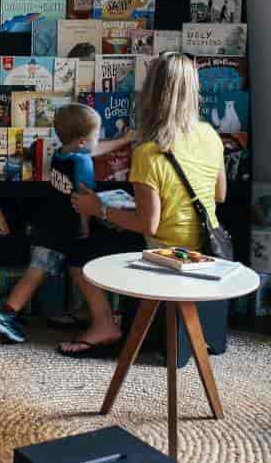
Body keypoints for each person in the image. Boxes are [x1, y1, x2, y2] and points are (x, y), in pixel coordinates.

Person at [64, 52, 227, 356]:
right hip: (204, 244)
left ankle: (104, 325)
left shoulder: (149, 152)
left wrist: (96, 208)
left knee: (79, 251)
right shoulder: (211, 136)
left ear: (151, 94)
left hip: (166, 249)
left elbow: (147, 225)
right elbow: (219, 196)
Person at [0, 103, 131, 344]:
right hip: (63, 229)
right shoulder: (83, 164)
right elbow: (83, 199)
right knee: (36, 273)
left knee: (35, 272)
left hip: (47, 222)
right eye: (96, 135)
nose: (99, 140)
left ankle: (9, 310)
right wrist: (85, 226)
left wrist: (124, 139)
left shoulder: (62, 153)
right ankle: (7, 315)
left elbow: (92, 151)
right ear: (83, 141)